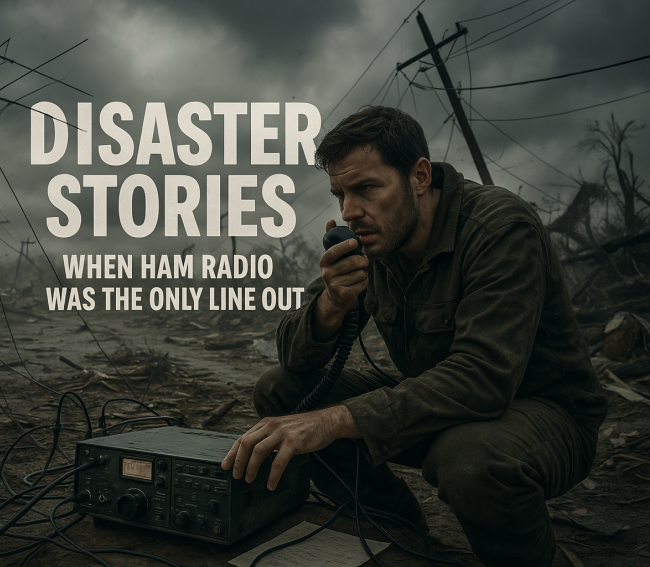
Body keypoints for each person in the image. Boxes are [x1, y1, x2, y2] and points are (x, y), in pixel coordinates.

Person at [220, 106, 607, 567]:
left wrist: (334, 421)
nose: (350, 211)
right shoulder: (374, 239)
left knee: (468, 458)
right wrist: (332, 304)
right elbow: (292, 355)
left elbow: (483, 377)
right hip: (444, 410)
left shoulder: (499, 228)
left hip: (545, 414)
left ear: (419, 176)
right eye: (340, 193)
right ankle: (399, 534)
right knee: (281, 390)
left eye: (366, 188)